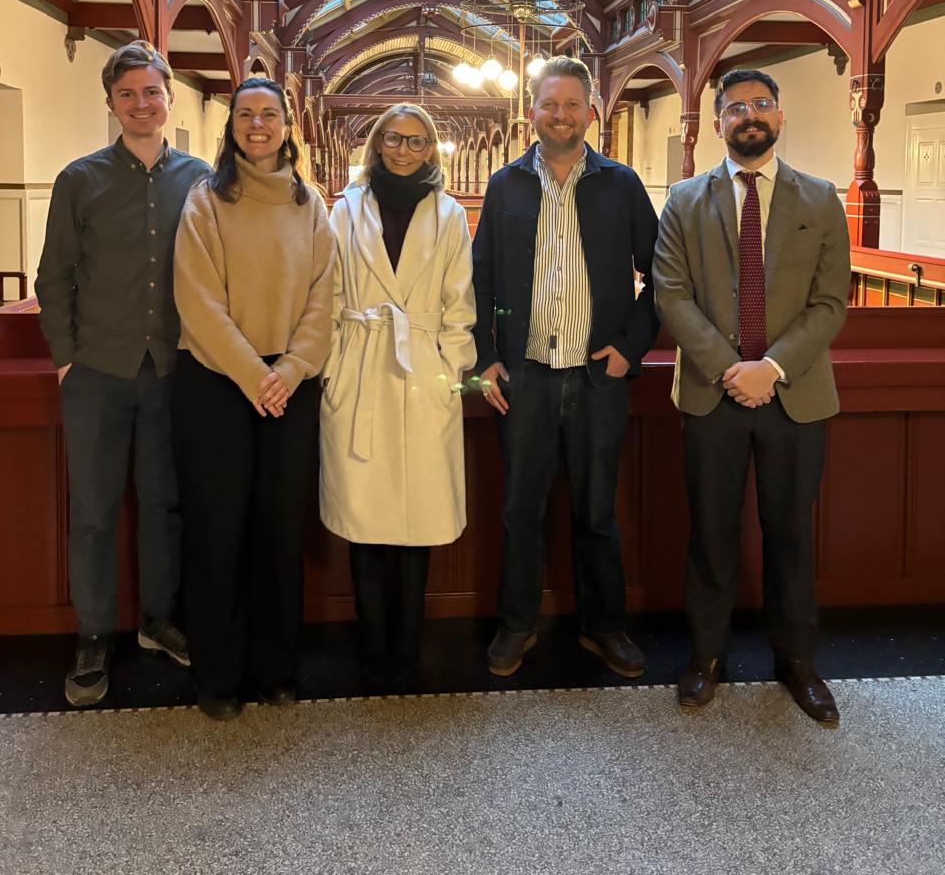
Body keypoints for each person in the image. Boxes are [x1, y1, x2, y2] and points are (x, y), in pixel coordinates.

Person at [652, 69, 850, 726]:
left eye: (762, 104)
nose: (750, 115)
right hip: (712, 395)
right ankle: (705, 657)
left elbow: (830, 301)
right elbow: (671, 293)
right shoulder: (684, 199)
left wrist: (771, 368)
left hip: (795, 395)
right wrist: (730, 369)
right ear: (717, 124)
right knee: (710, 535)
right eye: (736, 108)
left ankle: (797, 662)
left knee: (791, 536)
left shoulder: (820, 198)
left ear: (779, 116)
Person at [36, 39, 210, 708]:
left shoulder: (199, 178)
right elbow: (54, 275)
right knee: (93, 510)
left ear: (170, 98)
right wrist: (65, 357)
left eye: (151, 92)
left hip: (172, 369)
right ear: (110, 102)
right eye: (127, 94)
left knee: (165, 505)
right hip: (96, 372)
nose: (141, 104)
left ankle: (158, 621)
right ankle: (92, 634)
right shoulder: (79, 179)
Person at [472, 56, 659, 678]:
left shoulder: (621, 184)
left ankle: (604, 628)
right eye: (550, 104)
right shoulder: (505, 186)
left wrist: (630, 347)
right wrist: (485, 358)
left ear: (590, 113)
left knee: (596, 513)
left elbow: (661, 274)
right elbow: (479, 280)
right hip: (524, 377)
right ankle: (516, 626)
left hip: (596, 376)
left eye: (572, 104)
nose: (560, 115)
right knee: (519, 511)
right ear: (532, 111)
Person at [172, 77, 334, 721]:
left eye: (270, 114)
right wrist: (253, 374)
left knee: (279, 528)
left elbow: (325, 296)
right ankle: (217, 676)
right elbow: (198, 300)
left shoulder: (308, 204)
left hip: (288, 385)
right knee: (217, 529)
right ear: (232, 125)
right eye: (246, 114)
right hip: (216, 382)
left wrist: (289, 371)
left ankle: (276, 669)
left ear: (287, 126)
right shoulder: (206, 199)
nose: (258, 124)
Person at [320, 104, 476, 685]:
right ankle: (371, 646)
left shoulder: (449, 214)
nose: (403, 150)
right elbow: (328, 294)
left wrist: (449, 369)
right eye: (393, 138)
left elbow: (460, 303)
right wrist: (333, 368)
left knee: (418, 521)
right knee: (364, 518)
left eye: (415, 141)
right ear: (377, 144)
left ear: (431, 148)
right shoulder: (345, 209)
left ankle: (408, 646)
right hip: (360, 365)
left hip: (423, 370)